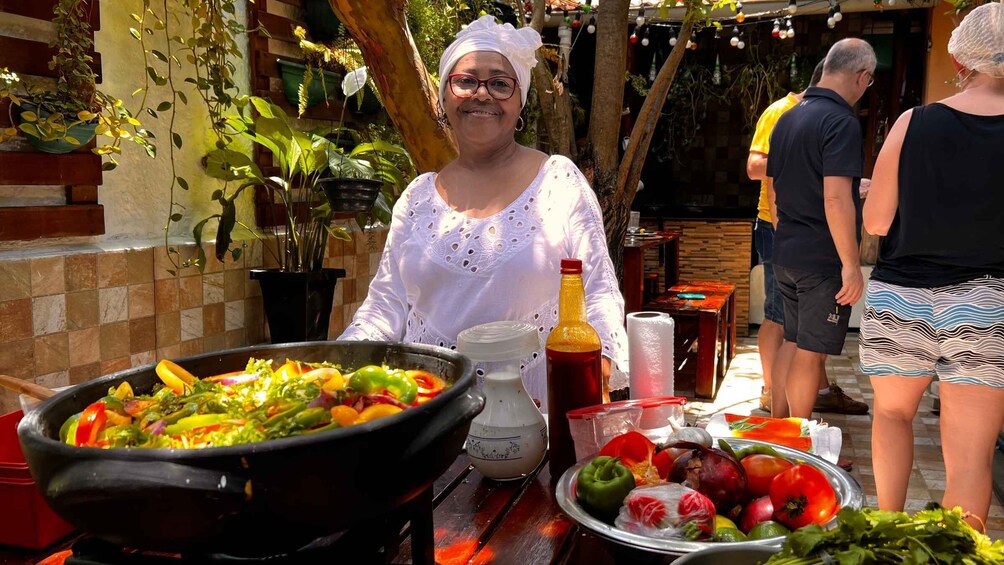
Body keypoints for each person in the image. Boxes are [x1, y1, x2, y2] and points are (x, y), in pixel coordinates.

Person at [339, 15, 629, 406]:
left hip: (535, 418)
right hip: (429, 413)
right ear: (443, 97)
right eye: (465, 81)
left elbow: (599, 291)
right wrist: (338, 366)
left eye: (499, 83)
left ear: (520, 99)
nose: (482, 94)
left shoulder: (558, 181)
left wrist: (601, 368)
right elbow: (385, 305)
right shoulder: (417, 198)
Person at [861, 2, 1004, 527]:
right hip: (988, 304)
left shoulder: (912, 122)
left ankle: (888, 534)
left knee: (893, 415)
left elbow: (876, 223)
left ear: (960, 58)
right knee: (969, 461)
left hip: (902, 297)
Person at [748, 61, 868, 417]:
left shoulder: (788, 117)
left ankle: (780, 427)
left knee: (793, 339)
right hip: (820, 256)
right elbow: (835, 197)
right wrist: (851, 265)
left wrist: (784, 230)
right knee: (810, 352)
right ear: (862, 77)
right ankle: (800, 440)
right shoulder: (841, 122)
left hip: (787, 246)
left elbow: (773, 189)